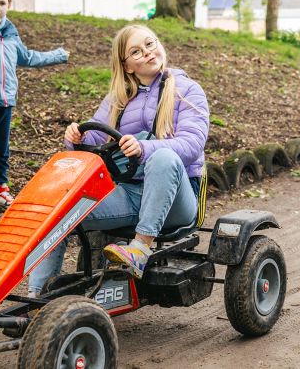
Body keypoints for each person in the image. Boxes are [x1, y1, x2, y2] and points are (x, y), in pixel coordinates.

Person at [27, 24, 209, 296]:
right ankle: (37, 298)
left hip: (176, 200)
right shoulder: (120, 98)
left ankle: (140, 248)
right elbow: (95, 140)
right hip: (131, 193)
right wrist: (77, 137)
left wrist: (144, 148)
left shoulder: (187, 90)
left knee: (164, 158)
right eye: (136, 51)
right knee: (60, 213)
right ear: (126, 67)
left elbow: (193, 144)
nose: (147, 52)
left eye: (150, 44)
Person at [0, 0, 70, 219]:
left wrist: (59, 55)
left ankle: (1, 189)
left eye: (1, 3)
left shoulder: (10, 33)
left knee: (2, 150)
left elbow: (28, 57)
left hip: (5, 102)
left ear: (8, 5)